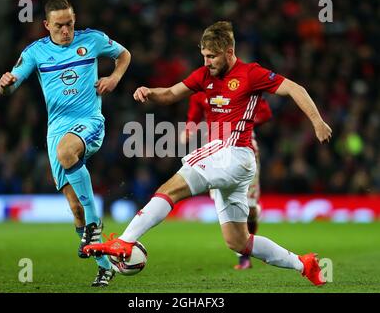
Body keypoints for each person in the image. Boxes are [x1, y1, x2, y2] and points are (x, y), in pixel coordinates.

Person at [84, 21, 332, 286]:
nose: (207, 62)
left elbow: (296, 88)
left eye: (212, 56)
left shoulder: (251, 73)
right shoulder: (204, 75)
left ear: (229, 51)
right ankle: (303, 264)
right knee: (238, 241)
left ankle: (125, 241)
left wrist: (317, 121)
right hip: (234, 164)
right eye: (204, 56)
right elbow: (170, 93)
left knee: (170, 189)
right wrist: (149, 93)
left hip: (232, 152)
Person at [0, 0, 131, 287]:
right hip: (56, 129)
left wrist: (114, 78)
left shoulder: (93, 40)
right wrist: (5, 84)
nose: (66, 30)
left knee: (66, 151)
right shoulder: (35, 52)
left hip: (90, 122)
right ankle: (103, 265)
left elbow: (124, 55)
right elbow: (11, 85)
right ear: (46, 25)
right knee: (74, 207)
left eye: (70, 23)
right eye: (59, 26)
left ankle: (95, 227)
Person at [180, 93, 272, 270]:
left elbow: (265, 113)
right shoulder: (200, 92)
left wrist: (245, 123)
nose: (210, 64)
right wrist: (188, 131)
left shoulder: (243, 84)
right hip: (217, 152)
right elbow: (193, 118)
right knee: (230, 206)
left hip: (246, 151)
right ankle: (244, 256)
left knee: (251, 210)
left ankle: (248, 242)